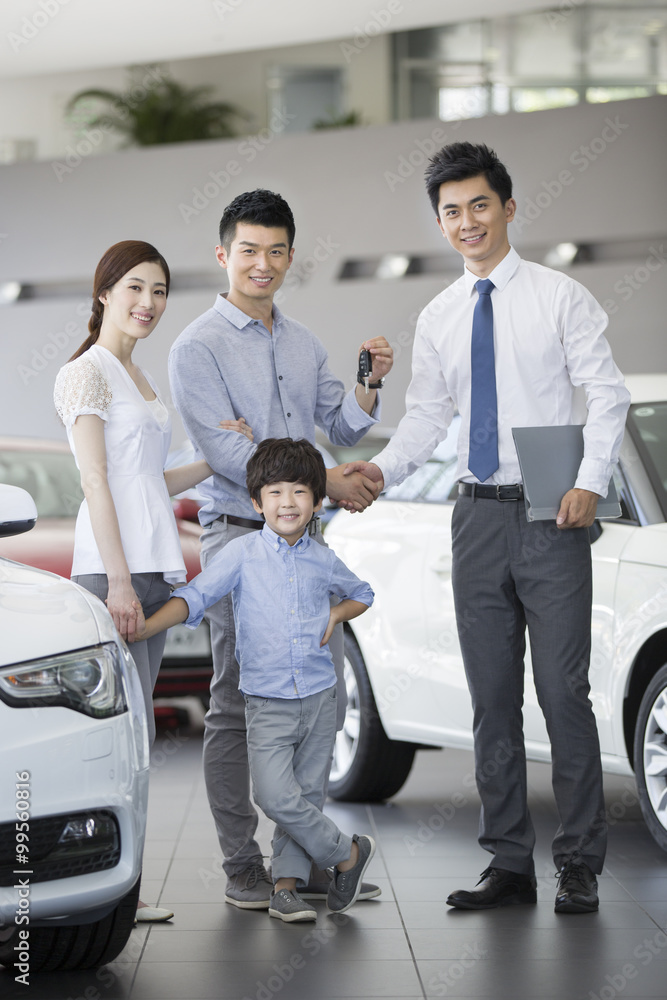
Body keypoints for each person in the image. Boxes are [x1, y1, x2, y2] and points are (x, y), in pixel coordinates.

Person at [344, 142, 631, 914]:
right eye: (450, 211)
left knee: (563, 694)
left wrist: (586, 481)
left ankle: (577, 864)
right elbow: (429, 419)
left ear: (507, 207)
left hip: (549, 510)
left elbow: (606, 396)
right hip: (473, 516)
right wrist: (381, 472)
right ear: (439, 223)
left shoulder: (559, 297)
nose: (466, 222)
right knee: (490, 699)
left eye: (478, 205)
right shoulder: (439, 315)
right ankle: (508, 863)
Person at [168, 189, 390, 908]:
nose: (261, 264)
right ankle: (243, 866)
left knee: (315, 707)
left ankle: (301, 865)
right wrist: (324, 476)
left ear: (290, 256)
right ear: (222, 255)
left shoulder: (301, 342)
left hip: (309, 547)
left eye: (275, 251)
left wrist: (367, 383)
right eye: (247, 251)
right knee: (237, 704)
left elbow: (345, 426)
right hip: (239, 539)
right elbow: (230, 456)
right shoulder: (196, 346)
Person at [53, 239, 252, 922]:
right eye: (135, 288)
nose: (148, 303)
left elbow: (146, 480)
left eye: (160, 291)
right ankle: (94, 892)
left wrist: (211, 454)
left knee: (137, 742)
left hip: (155, 567)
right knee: (110, 738)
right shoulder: (87, 373)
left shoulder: (137, 377)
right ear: (104, 290)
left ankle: (121, 889)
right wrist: (116, 584)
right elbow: (95, 480)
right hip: (117, 571)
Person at [132, 437, 377, 922]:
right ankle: (347, 853)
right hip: (266, 702)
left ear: (317, 501)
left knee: (305, 796)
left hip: (320, 695)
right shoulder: (241, 554)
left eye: (300, 493)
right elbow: (195, 598)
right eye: (276, 493)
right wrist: (143, 628)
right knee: (272, 794)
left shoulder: (322, 558)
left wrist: (337, 613)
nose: (288, 503)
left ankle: (286, 887)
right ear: (255, 502)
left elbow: (363, 592)